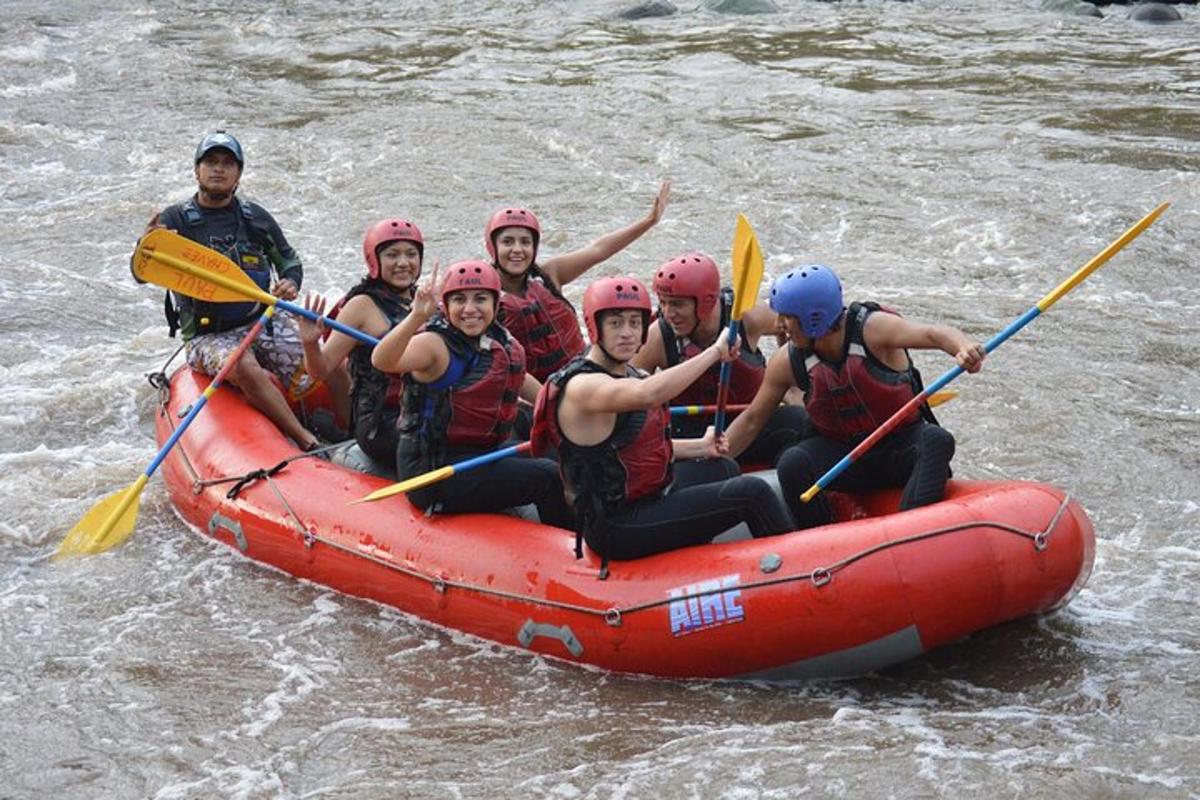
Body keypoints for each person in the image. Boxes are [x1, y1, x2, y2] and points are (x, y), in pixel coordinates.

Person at [531, 276, 795, 575]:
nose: (628, 333)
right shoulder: (582, 387)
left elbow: (639, 449)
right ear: (594, 327)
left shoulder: (629, 371)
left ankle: (696, 563)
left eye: (634, 323)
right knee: (752, 492)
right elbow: (648, 394)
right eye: (616, 323)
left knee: (722, 467)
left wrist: (701, 446)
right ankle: (797, 572)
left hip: (649, 496)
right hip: (617, 525)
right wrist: (715, 353)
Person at [723, 264, 985, 529]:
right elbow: (753, 419)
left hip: (897, 448)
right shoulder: (788, 361)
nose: (779, 326)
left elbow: (934, 333)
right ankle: (821, 538)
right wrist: (717, 457)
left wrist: (962, 348)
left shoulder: (873, 330)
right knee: (793, 461)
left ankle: (910, 531)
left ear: (814, 317)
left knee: (936, 440)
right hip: (842, 457)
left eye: (787, 317)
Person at [133, 130, 337, 451]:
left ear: (238, 174)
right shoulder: (176, 221)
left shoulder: (255, 218)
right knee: (242, 364)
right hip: (208, 336)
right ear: (196, 170)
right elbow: (142, 274)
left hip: (262, 318)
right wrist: (145, 247)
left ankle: (350, 428)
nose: (219, 169)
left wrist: (290, 282)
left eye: (228, 164)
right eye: (211, 162)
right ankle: (305, 440)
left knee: (327, 357)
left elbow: (288, 260)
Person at [370, 260, 573, 527]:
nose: (469, 309)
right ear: (446, 305)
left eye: (480, 299)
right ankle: (573, 553)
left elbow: (524, 381)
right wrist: (417, 316)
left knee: (558, 455)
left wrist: (572, 414)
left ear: (495, 303)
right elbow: (382, 360)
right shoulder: (435, 345)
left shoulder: (499, 339)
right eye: (459, 300)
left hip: (480, 453)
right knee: (547, 477)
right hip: (434, 471)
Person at [632, 251, 810, 465]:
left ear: (706, 302)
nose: (668, 313)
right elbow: (631, 399)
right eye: (663, 303)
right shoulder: (658, 337)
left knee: (799, 420)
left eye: (678, 304)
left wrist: (792, 387)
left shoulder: (748, 316)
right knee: (722, 469)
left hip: (749, 422)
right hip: (693, 439)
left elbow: (788, 327)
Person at [484, 180, 671, 383]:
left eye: (525, 242)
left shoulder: (549, 275)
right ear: (493, 247)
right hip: (534, 392)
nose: (518, 250)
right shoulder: (482, 297)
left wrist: (649, 221)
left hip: (583, 376)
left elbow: (599, 250)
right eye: (508, 242)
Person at [298, 218, 424, 467]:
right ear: (374, 261)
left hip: (423, 412)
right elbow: (321, 369)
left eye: (411, 254)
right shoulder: (361, 306)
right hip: (381, 421)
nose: (403, 263)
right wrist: (310, 343)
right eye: (392, 255)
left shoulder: (425, 302)